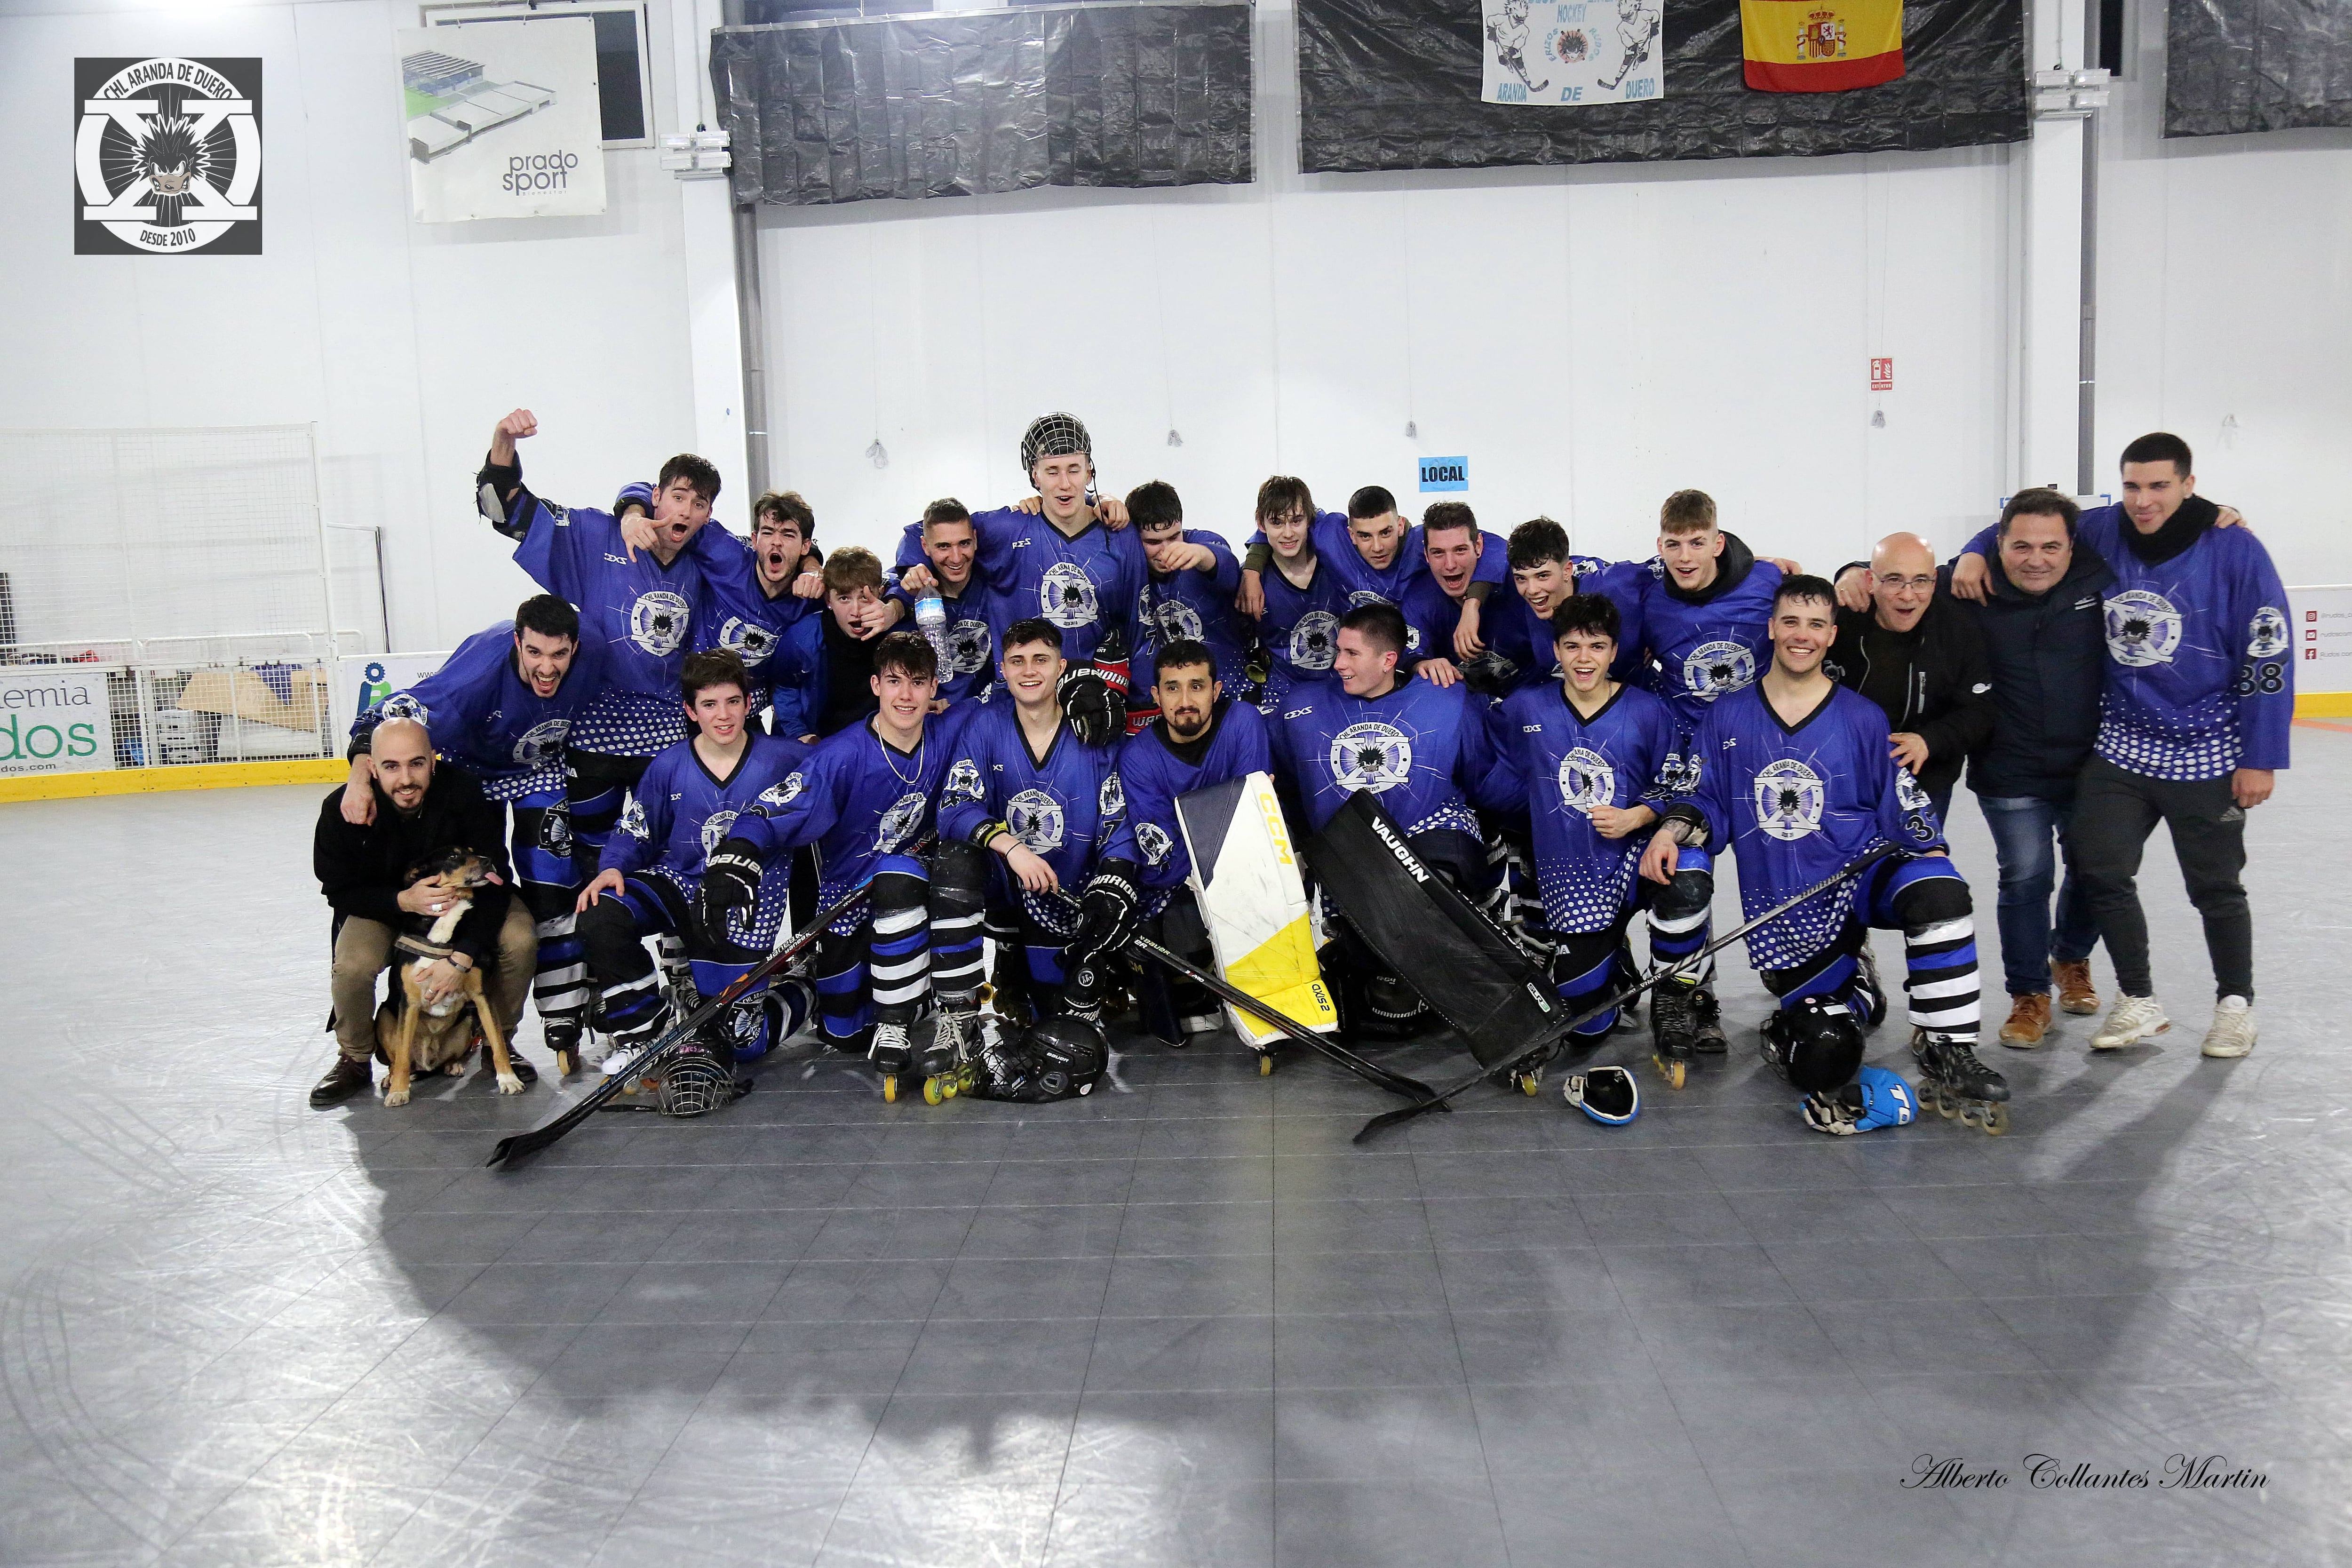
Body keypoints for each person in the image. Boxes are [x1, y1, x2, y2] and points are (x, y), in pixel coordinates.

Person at [1947, 434, 2292, 1058]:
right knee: (2102, 867)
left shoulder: (2236, 549)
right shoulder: (2103, 529)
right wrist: (1973, 550)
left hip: (2209, 750)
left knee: (2216, 887)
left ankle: (2235, 1004)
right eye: (2132, 485)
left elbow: (2267, 649)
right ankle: (2136, 999)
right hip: (2124, 747)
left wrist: (2260, 754)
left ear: (2189, 484)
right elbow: (2025, 529)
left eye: (2159, 486)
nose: (2144, 500)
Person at [1640, 577, 2006, 1129]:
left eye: (1814, 625)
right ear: (1771, 628)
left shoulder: (1861, 719)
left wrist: (1927, 847)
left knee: (1939, 890)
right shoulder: (1728, 715)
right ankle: (1854, 986)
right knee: (1820, 1049)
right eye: (1790, 622)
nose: (1801, 636)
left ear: (1831, 635)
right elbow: (1705, 797)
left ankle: (1946, 1043)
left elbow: (1901, 809)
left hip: (1855, 881)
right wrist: (1671, 831)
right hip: (1784, 912)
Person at [699, 632, 988, 1100]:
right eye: (894, 682)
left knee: (919, 867)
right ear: (875, 685)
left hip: (919, 892)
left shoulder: (952, 728)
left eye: (918, 683)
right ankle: (816, 985)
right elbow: (776, 807)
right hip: (850, 904)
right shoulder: (842, 754)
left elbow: (1010, 700)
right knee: (843, 1035)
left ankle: (933, 1004)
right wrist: (737, 854)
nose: (906, 695)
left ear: (935, 687)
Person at [344, 596, 604, 1069]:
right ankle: (457, 1029)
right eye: (534, 654)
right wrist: (359, 780)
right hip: (471, 773)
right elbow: (381, 721)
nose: (547, 668)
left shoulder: (595, 648)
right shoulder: (474, 680)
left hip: (535, 767)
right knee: (477, 890)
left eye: (559, 655)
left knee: (554, 888)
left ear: (576, 648)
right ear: (516, 644)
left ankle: (558, 1018)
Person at [474, 408, 722, 882]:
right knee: (593, 860)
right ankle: (598, 949)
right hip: (594, 734)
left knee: (673, 856)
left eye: (700, 503)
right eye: (677, 497)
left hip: (665, 738)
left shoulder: (709, 557)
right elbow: (503, 508)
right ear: (657, 497)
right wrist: (504, 439)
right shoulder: (595, 535)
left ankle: (672, 954)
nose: (686, 511)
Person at [1493, 595, 1717, 1077]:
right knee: (1585, 1024)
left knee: (1690, 870)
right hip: (1572, 878)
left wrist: (1639, 816)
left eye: (1596, 646)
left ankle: (1671, 997)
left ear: (1614, 652)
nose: (1583, 658)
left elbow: (1676, 782)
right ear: (1555, 650)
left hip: (1635, 857)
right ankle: (1609, 975)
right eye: (1571, 646)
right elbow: (1493, 768)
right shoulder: (1524, 708)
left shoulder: (1646, 711)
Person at [1272, 603, 1514, 1034]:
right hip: (1351, 858)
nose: (1338, 663)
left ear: (1388, 660)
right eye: (1338, 651)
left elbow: (1485, 777)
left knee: (1435, 875)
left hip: (1433, 848)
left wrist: (1531, 808)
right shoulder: (1299, 708)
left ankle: (1473, 934)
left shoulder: (1448, 698)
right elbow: (1281, 786)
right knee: (1379, 980)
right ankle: (1382, 968)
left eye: (1351, 654)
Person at [572, 650, 812, 1076]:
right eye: (710, 704)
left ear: (748, 702)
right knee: (603, 912)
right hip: (682, 882)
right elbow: (638, 827)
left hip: (748, 897)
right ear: (690, 710)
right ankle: (641, 1032)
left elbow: (840, 781)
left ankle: (806, 986)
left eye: (733, 702)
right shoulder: (669, 765)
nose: (724, 715)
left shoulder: (785, 759)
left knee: (738, 1042)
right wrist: (613, 864)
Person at [1947, 490, 2110, 1045]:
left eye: (2049, 546)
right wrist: (1853, 572)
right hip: (2009, 767)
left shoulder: (2100, 577)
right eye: (2020, 546)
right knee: (2025, 877)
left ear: (2071, 547)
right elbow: (1902, 578)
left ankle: (2070, 958)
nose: (2034, 559)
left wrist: (2214, 513)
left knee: (2093, 868)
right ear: (1998, 545)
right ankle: (2028, 995)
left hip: (2092, 765)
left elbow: (2154, 524)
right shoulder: (1970, 584)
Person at [311, 717, 537, 1107]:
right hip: (387, 908)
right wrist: (401, 901)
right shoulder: (341, 810)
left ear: (434, 760)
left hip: (468, 903)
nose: (406, 779)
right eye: (391, 766)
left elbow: (495, 876)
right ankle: (355, 1057)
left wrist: (465, 954)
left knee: (520, 938)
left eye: (417, 763)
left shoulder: (465, 793)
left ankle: (496, 1041)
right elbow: (339, 890)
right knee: (352, 964)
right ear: (371, 767)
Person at [893, 413, 1143, 745]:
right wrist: (912, 570)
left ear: (1090, 471)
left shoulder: (1121, 537)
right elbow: (922, 532)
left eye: (1074, 469)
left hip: (1094, 704)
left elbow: (1138, 629)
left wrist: (1136, 705)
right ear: (1034, 476)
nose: (1065, 484)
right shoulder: (1008, 528)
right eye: (1052, 471)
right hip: (1015, 708)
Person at [939, 619, 1141, 1027]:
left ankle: (1102, 967)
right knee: (953, 860)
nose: (1029, 670)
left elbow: (1119, 821)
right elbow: (955, 804)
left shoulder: (1093, 729)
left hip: (1068, 895)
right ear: (1002, 670)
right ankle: (958, 1014)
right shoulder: (985, 724)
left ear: (1061, 666)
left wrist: (1113, 881)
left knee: (1055, 1019)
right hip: (1008, 882)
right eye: (1018, 661)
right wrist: (1012, 849)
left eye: (1040, 660)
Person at [1115, 637, 1277, 1044]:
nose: (1185, 700)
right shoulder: (1138, 756)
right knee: (1177, 922)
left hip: (1248, 874)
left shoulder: (1242, 721)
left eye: (1197, 686)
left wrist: (1215, 822)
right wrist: (1226, 812)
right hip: (1182, 886)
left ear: (1217, 690)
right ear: (1155, 695)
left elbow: (1254, 823)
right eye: (1172, 687)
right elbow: (1162, 852)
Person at [1823, 532, 1994, 828]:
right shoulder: (1841, 621)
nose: (1908, 594)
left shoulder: (1959, 631)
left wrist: (1929, 741)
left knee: (1914, 867)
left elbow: (1980, 710)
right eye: (1893, 580)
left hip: (1926, 780)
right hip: (1841, 776)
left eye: (1921, 581)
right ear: (1870, 581)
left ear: (1934, 582)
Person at [1237, 484, 1506, 659]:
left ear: (1400, 526)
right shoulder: (1332, 537)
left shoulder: (1420, 544)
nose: (1377, 547)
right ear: (1351, 534)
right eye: (1365, 536)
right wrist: (1252, 569)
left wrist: (1472, 604)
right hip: (1356, 661)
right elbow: (1285, 522)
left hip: (1412, 653)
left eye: (1386, 533)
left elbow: (1495, 547)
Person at [656, 488, 827, 738]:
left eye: (788, 535)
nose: (776, 542)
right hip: (689, 713)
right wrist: (632, 511)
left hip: (750, 719)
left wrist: (894, 607)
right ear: (755, 539)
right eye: (768, 533)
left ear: (805, 547)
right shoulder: (726, 555)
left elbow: (873, 584)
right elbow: (662, 504)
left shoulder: (813, 594)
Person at [1128, 480, 1249, 722]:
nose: (1166, 551)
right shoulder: (1129, 559)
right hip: (1165, 708)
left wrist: (1202, 556)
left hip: (1227, 698)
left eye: (1174, 537)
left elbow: (1227, 568)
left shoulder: (1202, 542)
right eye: (1153, 542)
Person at [888, 498, 1003, 728]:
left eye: (964, 543)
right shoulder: (909, 591)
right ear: (924, 547)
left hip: (986, 719)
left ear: (976, 540)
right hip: (927, 724)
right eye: (943, 547)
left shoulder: (997, 586)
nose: (957, 557)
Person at [1246, 476, 1355, 712]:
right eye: (1277, 523)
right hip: (1282, 695)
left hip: (1342, 688)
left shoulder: (1336, 562)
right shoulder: (1251, 582)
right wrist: (1251, 569)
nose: (1288, 533)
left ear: (1309, 520)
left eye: (1297, 521)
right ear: (1261, 524)